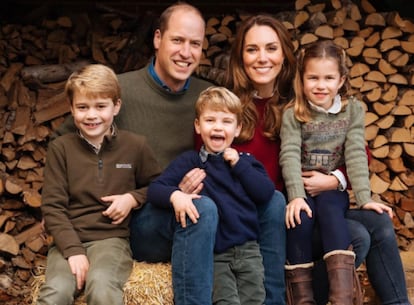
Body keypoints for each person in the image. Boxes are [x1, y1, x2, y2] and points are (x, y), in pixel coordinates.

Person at [224, 14, 411, 305]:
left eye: (271, 48)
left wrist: (334, 179)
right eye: (252, 49)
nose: (262, 58)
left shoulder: (304, 98)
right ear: (240, 56)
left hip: (316, 201)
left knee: (380, 223)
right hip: (277, 217)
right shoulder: (229, 108)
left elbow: (359, 152)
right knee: (357, 236)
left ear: (284, 55)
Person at [37, 64, 161, 305]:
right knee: (55, 291)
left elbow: (157, 185)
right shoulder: (60, 148)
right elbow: (52, 207)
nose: (91, 115)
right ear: (72, 109)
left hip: (111, 240)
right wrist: (73, 251)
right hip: (67, 240)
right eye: (82, 107)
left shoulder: (135, 146)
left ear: (116, 106)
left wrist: (132, 198)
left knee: (102, 286)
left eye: (100, 106)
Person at [148, 86, 274, 305]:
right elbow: (155, 189)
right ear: (198, 126)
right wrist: (176, 195)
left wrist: (238, 165)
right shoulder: (190, 162)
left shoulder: (246, 162)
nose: (218, 127)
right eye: (210, 120)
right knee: (226, 301)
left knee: (254, 299)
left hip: (249, 251)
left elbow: (265, 193)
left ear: (237, 129)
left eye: (226, 121)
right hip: (216, 255)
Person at [280, 40, 379, 304]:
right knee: (299, 220)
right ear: (301, 79)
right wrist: (296, 196)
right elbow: (288, 154)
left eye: (328, 78)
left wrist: (365, 197)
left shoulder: (352, 110)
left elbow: (356, 153)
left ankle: (342, 297)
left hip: (330, 188)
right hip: (303, 187)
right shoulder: (293, 114)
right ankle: (302, 299)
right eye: (313, 77)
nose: (320, 85)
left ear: (341, 80)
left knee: (330, 210)